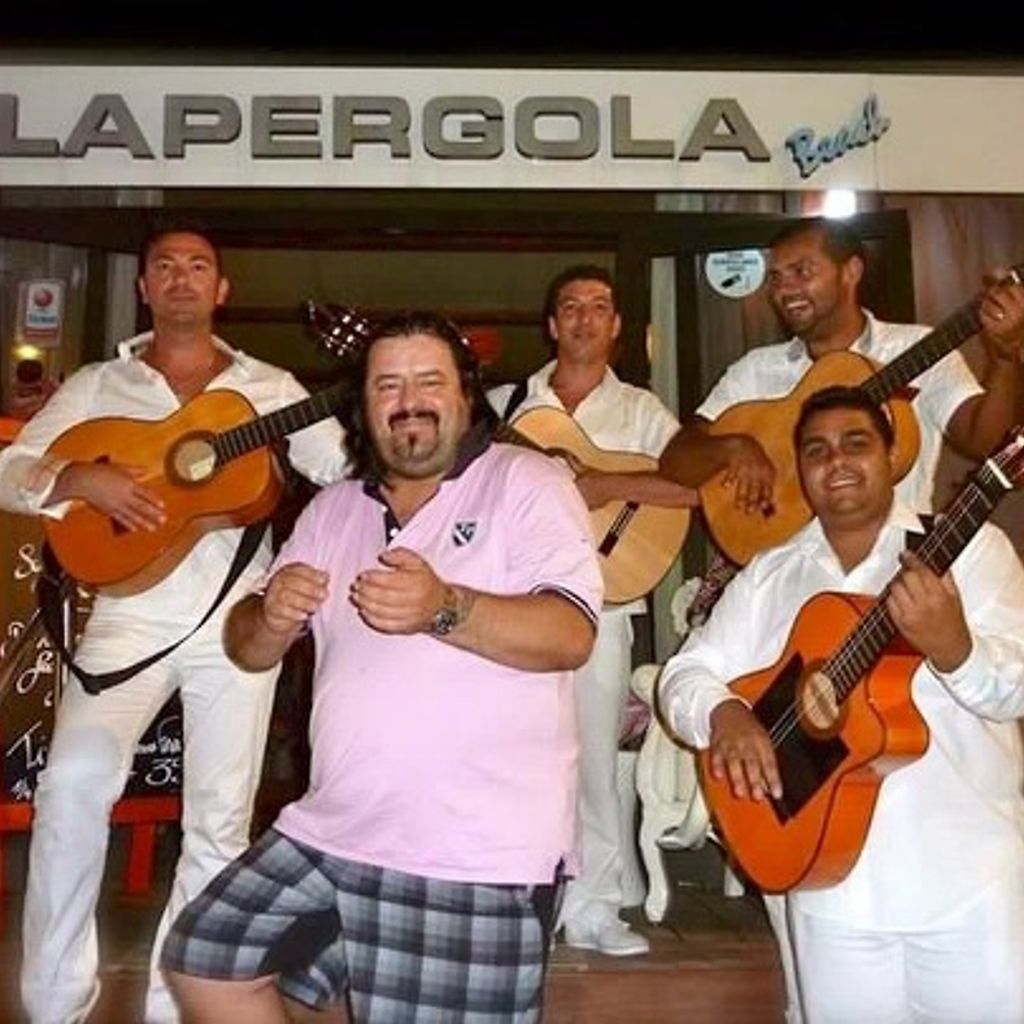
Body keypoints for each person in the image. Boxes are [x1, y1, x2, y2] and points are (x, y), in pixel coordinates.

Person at [162, 312, 604, 1023]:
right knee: (208, 959)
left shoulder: (528, 482)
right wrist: (269, 616)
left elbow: (571, 633)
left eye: (430, 381)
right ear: (362, 407)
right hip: (333, 831)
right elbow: (247, 648)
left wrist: (444, 607)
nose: (409, 401)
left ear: (466, 395)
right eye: (387, 385)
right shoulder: (334, 507)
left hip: (473, 855)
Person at [657, 218, 1024, 1021]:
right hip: (829, 887)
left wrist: (956, 651)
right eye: (816, 451)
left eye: (856, 443)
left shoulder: (972, 553)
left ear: (893, 454)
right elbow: (687, 674)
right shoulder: (773, 572)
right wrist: (724, 716)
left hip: (968, 880)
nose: (835, 464)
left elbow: (1016, 685)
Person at [0, 222, 348, 1024]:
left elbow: (342, 468)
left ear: (221, 289)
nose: (182, 278)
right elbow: (11, 469)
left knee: (219, 822)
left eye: (198, 266)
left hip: (240, 620)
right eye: (166, 266)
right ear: (144, 287)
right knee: (71, 788)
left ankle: (177, 1008)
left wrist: (377, 411)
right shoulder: (100, 383)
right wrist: (79, 478)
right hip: (126, 615)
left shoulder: (270, 388)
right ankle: (54, 1005)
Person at [488, 265, 696, 956]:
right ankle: (520, 902)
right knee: (512, 754)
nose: (583, 318)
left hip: (602, 604)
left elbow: (695, 489)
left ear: (617, 325)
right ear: (552, 324)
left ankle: (596, 907)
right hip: (512, 603)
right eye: (570, 306)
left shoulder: (641, 410)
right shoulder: (507, 406)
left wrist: (606, 482)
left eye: (598, 306)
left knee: (594, 759)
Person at [659, 216, 1023, 522]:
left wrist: (1005, 359)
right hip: (785, 570)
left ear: (851, 272)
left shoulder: (913, 348)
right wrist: (732, 447)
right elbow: (676, 460)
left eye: (801, 272)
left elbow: (986, 443)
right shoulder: (755, 371)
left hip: (899, 565)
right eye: (776, 277)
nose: (785, 290)